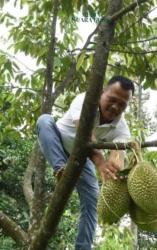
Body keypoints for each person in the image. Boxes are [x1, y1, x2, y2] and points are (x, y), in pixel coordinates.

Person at [36, 75, 134, 250]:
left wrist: (113, 172)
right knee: (44, 120)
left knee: (92, 203)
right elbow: (84, 134)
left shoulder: (122, 129)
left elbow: (116, 158)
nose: (115, 107)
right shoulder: (84, 100)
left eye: (122, 105)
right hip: (57, 143)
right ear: (102, 92)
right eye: (112, 99)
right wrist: (100, 162)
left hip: (83, 158)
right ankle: (60, 169)